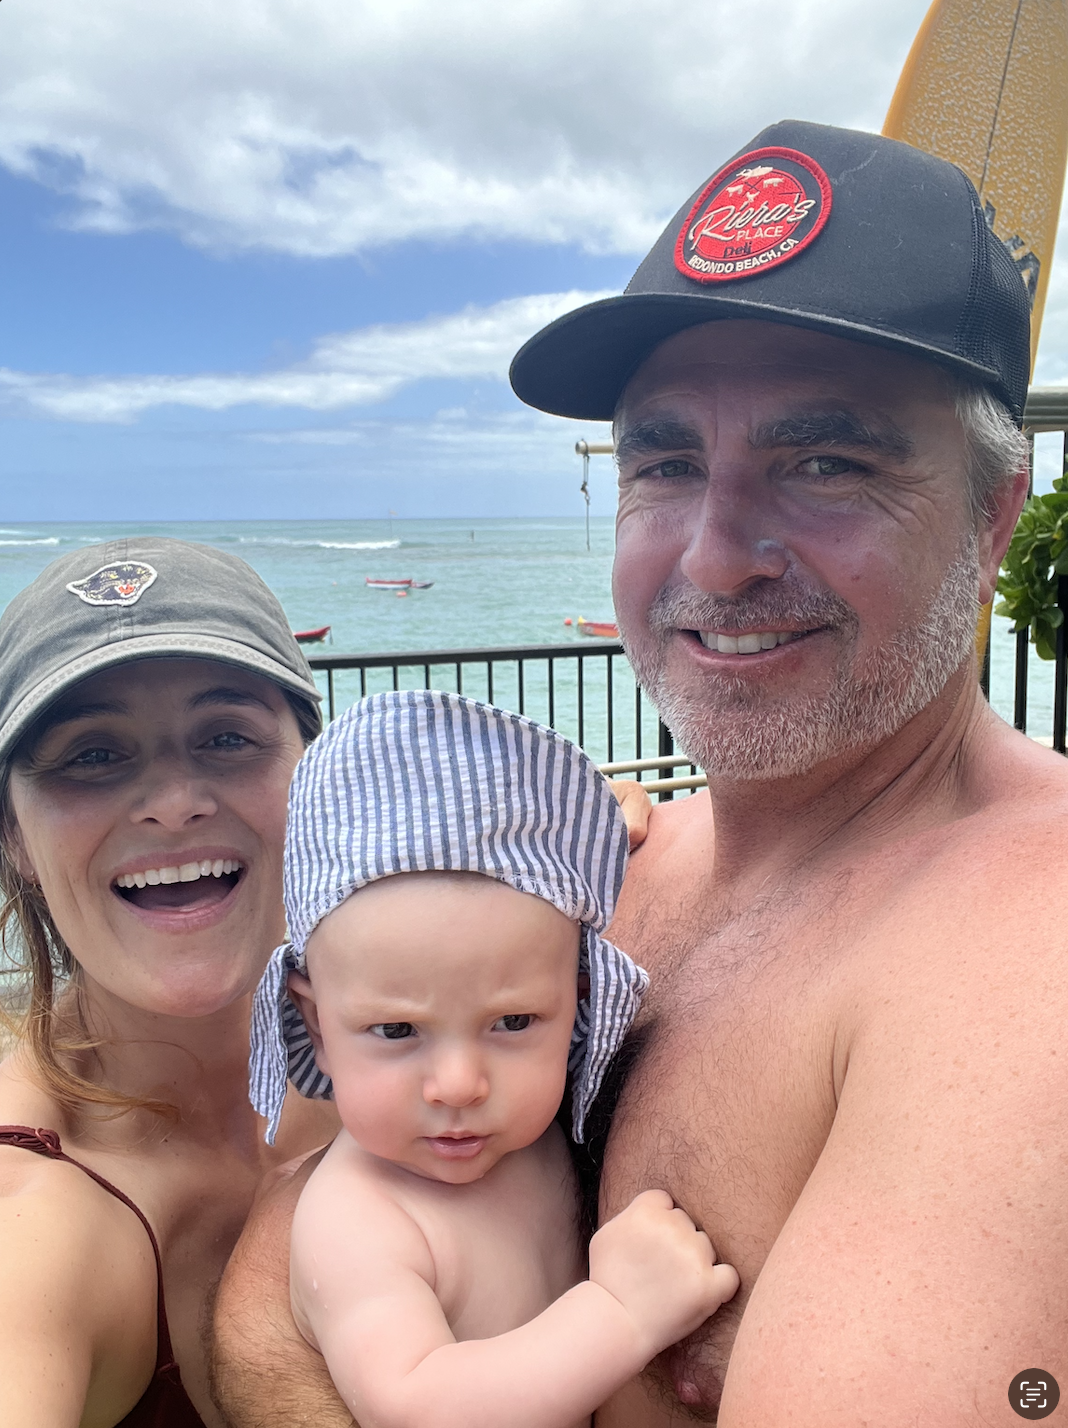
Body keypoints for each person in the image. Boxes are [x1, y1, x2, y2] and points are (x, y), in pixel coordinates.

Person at [212, 119, 1065, 1427]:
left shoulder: (1023, 967)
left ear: (990, 516)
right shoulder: (606, 879)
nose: (715, 559)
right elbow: (323, 1194)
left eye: (825, 461)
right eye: (665, 462)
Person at [248, 690, 737, 1428]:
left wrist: (609, 819)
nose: (459, 1086)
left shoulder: (531, 1131)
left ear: (578, 1005)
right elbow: (415, 1402)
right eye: (395, 1032)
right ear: (314, 1026)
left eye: (512, 1022)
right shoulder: (360, 1218)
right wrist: (620, 1315)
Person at [0, 538, 341, 1426]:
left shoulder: (428, 1030)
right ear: (12, 836)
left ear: (319, 773)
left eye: (228, 737)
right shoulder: (36, 1220)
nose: (174, 799)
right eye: (92, 755)